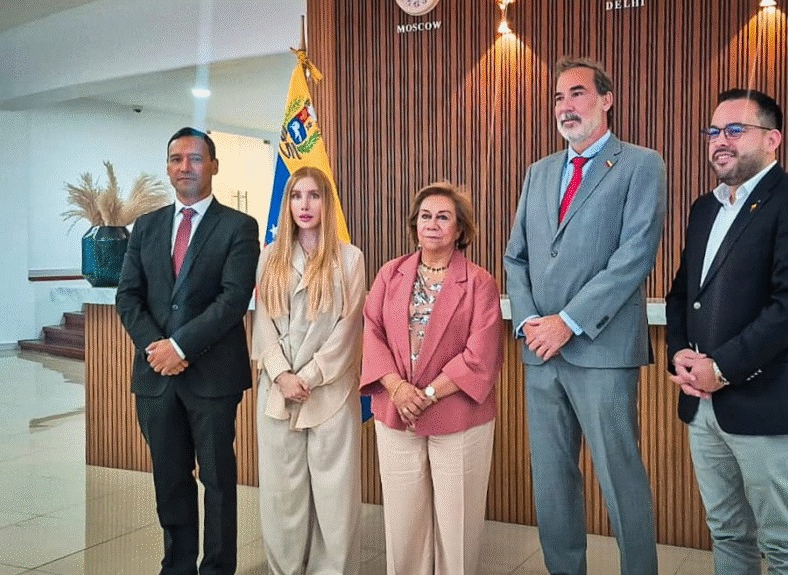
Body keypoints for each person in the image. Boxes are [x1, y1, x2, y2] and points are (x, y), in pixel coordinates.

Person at [666, 89, 788, 575]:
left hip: (768, 401)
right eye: (714, 131)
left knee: (782, 543)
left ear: (772, 139)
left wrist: (722, 368)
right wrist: (679, 352)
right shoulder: (704, 209)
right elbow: (682, 294)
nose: (720, 140)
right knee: (726, 532)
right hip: (702, 403)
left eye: (735, 130)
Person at [503, 56, 665, 575]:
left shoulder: (641, 164)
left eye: (577, 93)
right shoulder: (539, 172)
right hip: (540, 354)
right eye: (558, 97)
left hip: (602, 350)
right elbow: (516, 257)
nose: (565, 106)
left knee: (621, 479)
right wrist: (530, 322)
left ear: (606, 99)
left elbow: (634, 256)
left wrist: (567, 322)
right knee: (552, 483)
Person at [116, 127, 260, 575]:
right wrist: (157, 348)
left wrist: (180, 346)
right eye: (176, 159)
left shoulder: (239, 226)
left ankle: (217, 568)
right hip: (155, 378)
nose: (185, 167)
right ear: (167, 167)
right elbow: (128, 296)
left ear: (213, 165)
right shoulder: (146, 226)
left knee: (217, 481)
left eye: (195, 158)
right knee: (170, 478)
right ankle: (177, 566)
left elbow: (233, 300)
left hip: (213, 377)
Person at [361, 182, 503, 575]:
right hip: (397, 412)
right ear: (415, 224)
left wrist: (424, 394)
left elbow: (480, 355)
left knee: (457, 527)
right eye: (426, 216)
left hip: (458, 415)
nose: (433, 224)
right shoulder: (390, 273)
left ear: (460, 229)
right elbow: (371, 332)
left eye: (443, 217)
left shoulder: (480, 282)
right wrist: (397, 388)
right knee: (403, 524)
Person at [252, 166, 365, 575]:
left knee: (335, 498)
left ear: (326, 202)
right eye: (297, 196)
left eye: (313, 195)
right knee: (282, 495)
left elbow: (349, 328)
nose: (304, 204)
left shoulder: (350, 258)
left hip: (329, 391)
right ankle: (284, 569)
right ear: (287, 204)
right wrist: (282, 375)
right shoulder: (270, 256)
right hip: (279, 390)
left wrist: (311, 376)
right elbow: (263, 321)